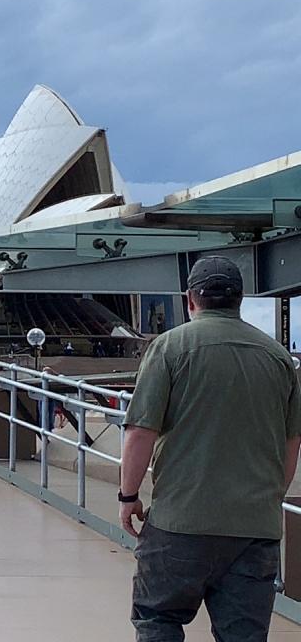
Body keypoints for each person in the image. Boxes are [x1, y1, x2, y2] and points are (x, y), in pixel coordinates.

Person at [120, 256, 301, 640]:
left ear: (190, 299)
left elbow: (140, 431)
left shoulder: (169, 348)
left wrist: (128, 495)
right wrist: (267, 500)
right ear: (240, 299)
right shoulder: (278, 358)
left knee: (158, 620)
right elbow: (292, 442)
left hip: (179, 522)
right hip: (254, 529)